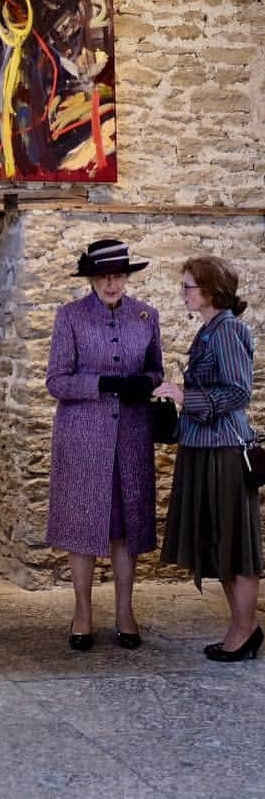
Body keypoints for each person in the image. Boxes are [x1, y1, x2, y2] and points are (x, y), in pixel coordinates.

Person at [45, 239, 163, 651]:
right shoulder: (70, 317)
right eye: (103, 276)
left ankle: (125, 611)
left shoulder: (147, 316)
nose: (111, 283)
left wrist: (144, 383)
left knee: (126, 527)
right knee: (83, 525)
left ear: (127, 278)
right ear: (92, 280)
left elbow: (156, 372)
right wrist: (102, 384)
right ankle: (82, 612)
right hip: (82, 438)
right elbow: (56, 381)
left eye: (118, 276)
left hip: (131, 435)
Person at [156, 257, 260, 661]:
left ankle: (245, 629)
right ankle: (241, 626)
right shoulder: (210, 330)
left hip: (224, 452)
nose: (183, 293)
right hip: (203, 446)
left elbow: (239, 391)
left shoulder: (228, 330)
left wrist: (185, 396)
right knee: (220, 542)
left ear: (211, 290)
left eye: (188, 287)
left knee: (235, 543)